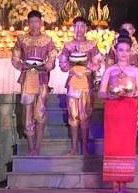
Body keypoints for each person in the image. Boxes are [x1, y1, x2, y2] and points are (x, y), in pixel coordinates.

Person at [97, 34, 138, 193]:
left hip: (129, 109)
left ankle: (124, 180)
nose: (124, 53)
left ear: (130, 52)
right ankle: (114, 180)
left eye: (126, 50)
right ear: (115, 51)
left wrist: (134, 93)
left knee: (126, 144)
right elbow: (101, 93)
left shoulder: (136, 71)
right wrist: (110, 94)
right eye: (120, 50)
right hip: (113, 109)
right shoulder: (109, 70)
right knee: (113, 143)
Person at [11, 10, 58, 156]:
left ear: (41, 23)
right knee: (27, 112)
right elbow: (15, 58)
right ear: (28, 23)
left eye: (36, 21)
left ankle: (38, 146)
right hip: (27, 78)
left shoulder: (47, 40)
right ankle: (31, 146)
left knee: (40, 111)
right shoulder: (22, 39)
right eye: (31, 22)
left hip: (42, 78)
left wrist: (45, 66)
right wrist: (22, 65)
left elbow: (52, 59)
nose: (34, 25)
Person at [58, 16, 102, 156]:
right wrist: (72, 67)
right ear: (73, 28)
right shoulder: (68, 45)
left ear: (87, 28)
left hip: (86, 84)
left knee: (85, 116)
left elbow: (97, 64)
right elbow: (62, 64)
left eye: (82, 26)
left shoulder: (92, 45)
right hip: (73, 84)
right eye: (77, 26)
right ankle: (73, 148)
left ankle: (85, 148)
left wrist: (86, 64)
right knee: (73, 116)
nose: (79, 29)